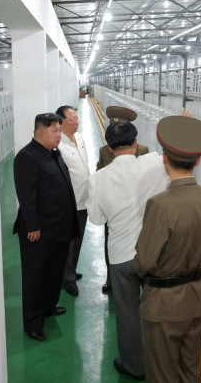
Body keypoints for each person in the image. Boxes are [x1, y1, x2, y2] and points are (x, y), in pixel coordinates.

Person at [133, 115, 201, 383]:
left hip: (164, 304)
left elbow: (144, 261)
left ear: (164, 158)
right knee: (190, 370)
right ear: (198, 161)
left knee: (162, 374)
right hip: (196, 298)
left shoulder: (161, 204)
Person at [87, 120, 169, 381]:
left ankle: (135, 366)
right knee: (158, 311)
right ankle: (162, 363)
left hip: (121, 256)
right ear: (136, 143)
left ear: (109, 147)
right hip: (152, 253)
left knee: (127, 314)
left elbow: (96, 219)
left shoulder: (98, 179)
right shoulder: (154, 164)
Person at [13, 113, 80, 342]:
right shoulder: (27, 157)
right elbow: (26, 195)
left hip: (58, 228)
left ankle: (49, 306)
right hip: (39, 232)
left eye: (60, 130)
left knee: (53, 272)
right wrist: (32, 225)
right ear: (40, 132)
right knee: (35, 277)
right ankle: (33, 323)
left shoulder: (53, 152)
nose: (59, 135)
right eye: (55, 131)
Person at [96, 106, 150, 294]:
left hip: (136, 205)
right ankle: (111, 279)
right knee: (110, 243)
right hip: (113, 208)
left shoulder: (142, 150)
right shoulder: (104, 151)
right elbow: (99, 171)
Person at [55, 105, 91, 297]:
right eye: (72, 119)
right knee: (68, 242)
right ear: (61, 122)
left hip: (84, 198)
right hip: (69, 201)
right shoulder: (58, 145)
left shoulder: (80, 138)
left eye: (77, 118)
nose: (76, 121)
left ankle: (71, 269)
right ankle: (67, 278)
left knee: (78, 238)